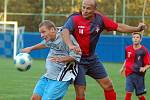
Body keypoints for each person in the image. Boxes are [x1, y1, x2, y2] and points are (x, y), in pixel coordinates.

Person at [61, 0, 147, 100]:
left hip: (92, 59)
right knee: (80, 93)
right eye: (83, 7)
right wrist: (70, 45)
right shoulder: (74, 18)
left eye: (88, 8)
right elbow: (65, 30)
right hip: (77, 60)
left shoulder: (100, 19)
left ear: (94, 10)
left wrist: (137, 29)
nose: (84, 10)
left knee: (108, 86)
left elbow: (118, 26)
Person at [21, 20, 81, 100]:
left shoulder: (66, 37)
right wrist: (31, 48)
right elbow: (44, 44)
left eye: (43, 32)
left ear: (52, 30)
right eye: (40, 33)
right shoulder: (50, 38)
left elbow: (77, 55)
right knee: (35, 98)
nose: (41, 35)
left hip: (61, 78)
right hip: (48, 75)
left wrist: (62, 59)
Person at [120, 32, 150, 100]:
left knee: (140, 96)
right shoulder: (127, 48)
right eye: (134, 37)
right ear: (132, 39)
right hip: (129, 73)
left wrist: (144, 68)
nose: (135, 39)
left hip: (139, 75)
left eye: (137, 37)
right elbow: (127, 59)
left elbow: (148, 64)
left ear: (140, 39)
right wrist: (122, 68)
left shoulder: (144, 50)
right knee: (128, 93)